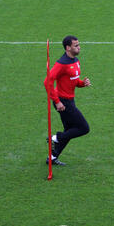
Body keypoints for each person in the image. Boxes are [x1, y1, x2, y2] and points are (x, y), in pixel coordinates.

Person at [44, 35, 91, 166]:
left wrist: (82, 83)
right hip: (63, 102)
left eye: (78, 44)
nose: (79, 47)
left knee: (70, 129)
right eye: (76, 45)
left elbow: (74, 81)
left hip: (70, 100)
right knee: (83, 128)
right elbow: (47, 81)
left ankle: (52, 157)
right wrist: (57, 101)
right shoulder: (61, 64)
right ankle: (56, 138)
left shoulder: (76, 61)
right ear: (68, 47)